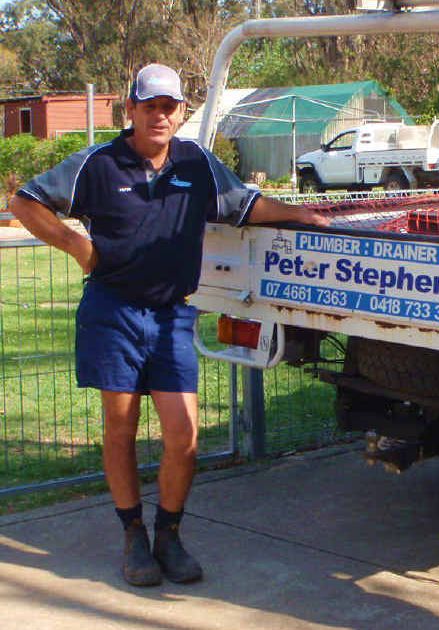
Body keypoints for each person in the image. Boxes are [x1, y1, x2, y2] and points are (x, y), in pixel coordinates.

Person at [8, 63, 330, 587]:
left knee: (183, 436)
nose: (159, 116)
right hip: (112, 312)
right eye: (149, 106)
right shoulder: (97, 163)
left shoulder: (197, 162)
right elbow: (25, 201)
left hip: (174, 314)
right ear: (130, 110)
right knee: (121, 429)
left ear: (181, 112)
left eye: (169, 107)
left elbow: (244, 205)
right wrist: (77, 246)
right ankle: (133, 537)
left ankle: (169, 536)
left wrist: (300, 215)